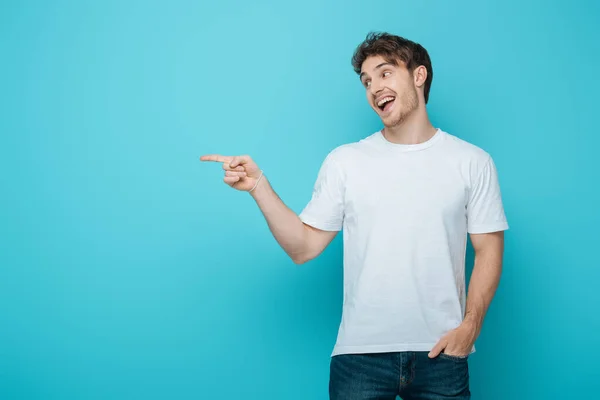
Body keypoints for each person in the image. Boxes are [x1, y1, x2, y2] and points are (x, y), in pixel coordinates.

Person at [200, 32, 509, 400]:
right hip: (360, 358)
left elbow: (489, 251)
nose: (374, 87)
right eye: (366, 81)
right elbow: (303, 247)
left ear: (419, 76)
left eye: (384, 73)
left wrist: (470, 329)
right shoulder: (345, 161)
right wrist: (258, 187)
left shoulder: (472, 162)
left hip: (443, 354)